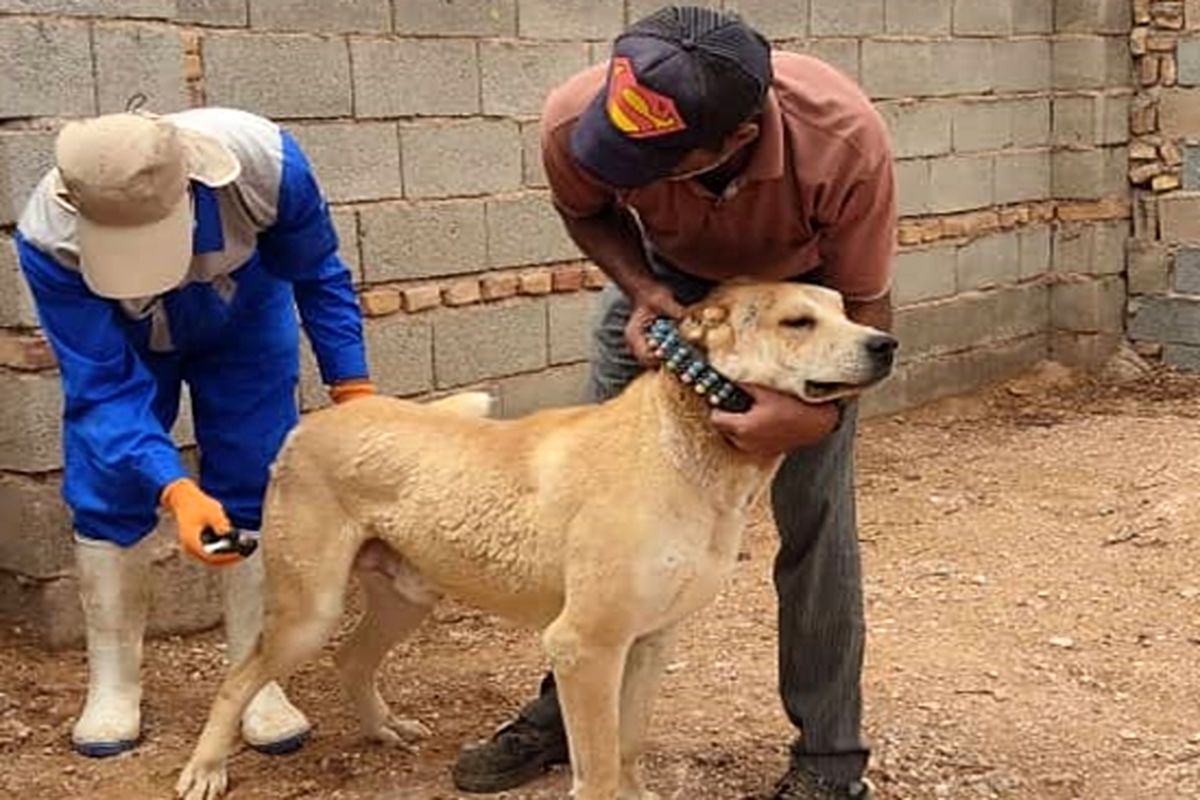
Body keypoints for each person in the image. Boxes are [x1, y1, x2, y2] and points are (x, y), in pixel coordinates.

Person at [450, 6, 895, 800]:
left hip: (795, 315)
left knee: (815, 519)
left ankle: (830, 759)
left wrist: (816, 414)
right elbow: (585, 209)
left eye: (648, 163)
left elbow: (865, 307)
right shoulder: (580, 118)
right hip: (666, 282)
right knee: (593, 509)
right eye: (618, 156)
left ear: (734, 140)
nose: (623, 172)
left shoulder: (844, 143)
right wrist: (645, 292)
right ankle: (565, 717)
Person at [14, 106, 375, 758]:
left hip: (242, 310)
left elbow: (318, 276)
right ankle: (115, 685)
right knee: (109, 479)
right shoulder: (48, 236)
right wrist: (176, 491)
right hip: (123, 333)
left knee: (258, 469)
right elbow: (102, 389)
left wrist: (353, 389)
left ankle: (257, 677)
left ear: (193, 189)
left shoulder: (266, 166)